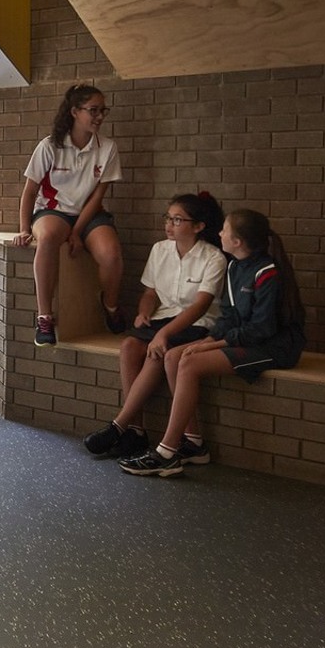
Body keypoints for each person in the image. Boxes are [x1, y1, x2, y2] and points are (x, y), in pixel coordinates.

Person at [120, 207, 306, 478]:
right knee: (174, 355)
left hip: (274, 347)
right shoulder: (234, 266)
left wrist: (211, 345)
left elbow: (261, 329)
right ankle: (194, 444)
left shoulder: (267, 272)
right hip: (246, 338)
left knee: (190, 364)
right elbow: (228, 317)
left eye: (225, 230)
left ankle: (166, 452)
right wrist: (207, 339)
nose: (219, 233)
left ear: (238, 241)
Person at [83, 192, 226, 460]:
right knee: (128, 346)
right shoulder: (160, 249)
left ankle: (118, 425)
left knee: (154, 353)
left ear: (198, 226)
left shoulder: (213, 257)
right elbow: (150, 293)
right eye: (168, 218)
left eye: (177, 220)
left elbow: (200, 307)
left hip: (196, 323)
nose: (169, 225)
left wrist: (163, 334)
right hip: (164, 318)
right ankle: (135, 431)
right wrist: (143, 313)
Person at [11, 83, 125, 345]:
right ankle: (44, 317)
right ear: (75, 111)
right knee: (49, 237)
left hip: (90, 213)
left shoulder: (107, 148)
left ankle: (110, 306)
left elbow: (97, 197)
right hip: (53, 211)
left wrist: (76, 232)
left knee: (111, 254)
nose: (99, 117)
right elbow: (30, 191)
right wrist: (24, 228)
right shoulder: (50, 146)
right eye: (93, 110)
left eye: (102, 111)